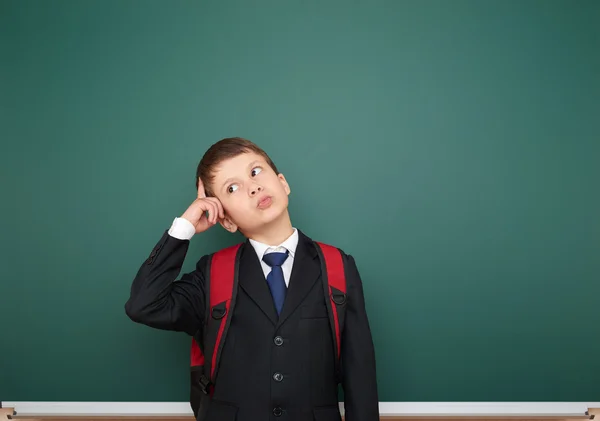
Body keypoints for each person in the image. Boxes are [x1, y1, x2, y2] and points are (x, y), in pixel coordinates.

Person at [125, 137, 379, 421]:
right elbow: (143, 305)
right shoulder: (212, 273)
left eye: (255, 172)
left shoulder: (338, 266)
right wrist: (184, 227)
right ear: (226, 220)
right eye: (232, 188)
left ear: (282, 183)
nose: (253, 187)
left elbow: (360, 374)